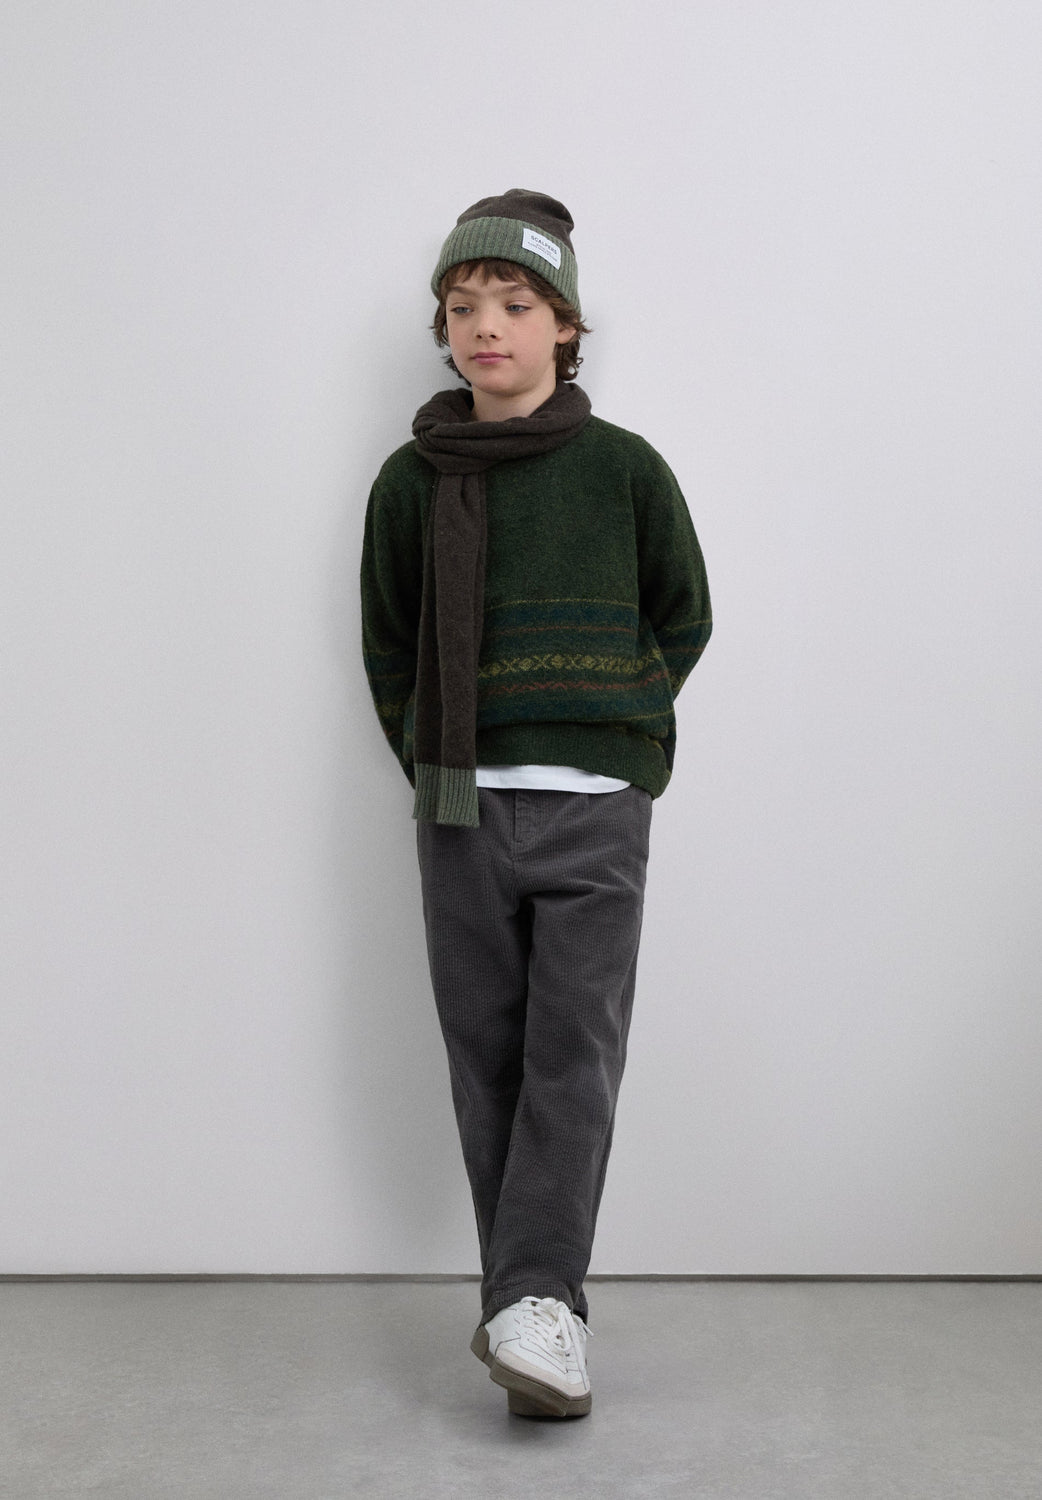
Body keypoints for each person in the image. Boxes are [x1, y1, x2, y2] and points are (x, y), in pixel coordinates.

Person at [360, 189, 712, 1419]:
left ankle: (534, 1304)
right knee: (487, 1063)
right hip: (461, 810)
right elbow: (389, 644)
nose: (485, 326)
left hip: (594, 809)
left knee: (573, 1056)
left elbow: (683, 615)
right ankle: (533, 1314)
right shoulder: (411, 482)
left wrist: (621, 731)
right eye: (463, 306)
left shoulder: (623, 470)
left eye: (513, 303)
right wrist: (431, 759)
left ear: (564, 324)